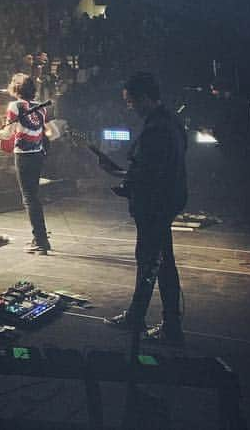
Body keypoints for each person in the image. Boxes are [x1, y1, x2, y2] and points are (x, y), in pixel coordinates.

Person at [98, 71, 187, 344]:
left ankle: (167, 326)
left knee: (153, 263)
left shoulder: (156, 129)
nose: (130, 107)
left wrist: (119, 176)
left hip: (154, 205)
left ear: (145, 98)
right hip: (164, 201)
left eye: (131, 101)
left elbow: (150, 172)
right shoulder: (169, 121)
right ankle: (141, 316)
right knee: (156, 262)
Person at [0, 73, 51, 253]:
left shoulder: (14, 106)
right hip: (37, 154)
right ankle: (40, 238)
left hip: (24, 156)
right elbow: (41, 131)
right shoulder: (40, 107)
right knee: (34, 197)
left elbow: (7, 134)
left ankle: (40, 241)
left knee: (29, 199)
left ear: (16, 88)